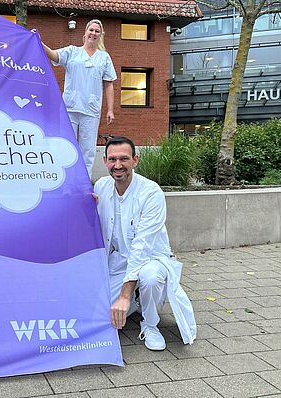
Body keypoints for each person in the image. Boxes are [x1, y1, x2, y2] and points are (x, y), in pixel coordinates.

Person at [94, 136, 196, 350]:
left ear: (135, 160)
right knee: (97, 315)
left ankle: (150, 325)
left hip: (151, 258)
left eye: (124, 159)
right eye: (112, 159)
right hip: (119, 260)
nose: (118, 165)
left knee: (148, 277)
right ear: (105, 162)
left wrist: (123, 295)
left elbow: (141, 247)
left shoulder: (151, 193)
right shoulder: (102, 186)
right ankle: (137, 300)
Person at [39, 19, 116, 178]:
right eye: (91, 30)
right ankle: (66, 181)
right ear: (85, 32)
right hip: (70, 107)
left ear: (100, 35)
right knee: (67, 145)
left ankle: (84, 183)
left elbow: (109, 85)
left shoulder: (104, 57)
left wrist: (110, 110)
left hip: (91, 109)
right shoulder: (72, 52)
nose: (93, 33)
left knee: (87, 150)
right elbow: (54, 55)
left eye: (97, 31)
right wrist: (39, 42)